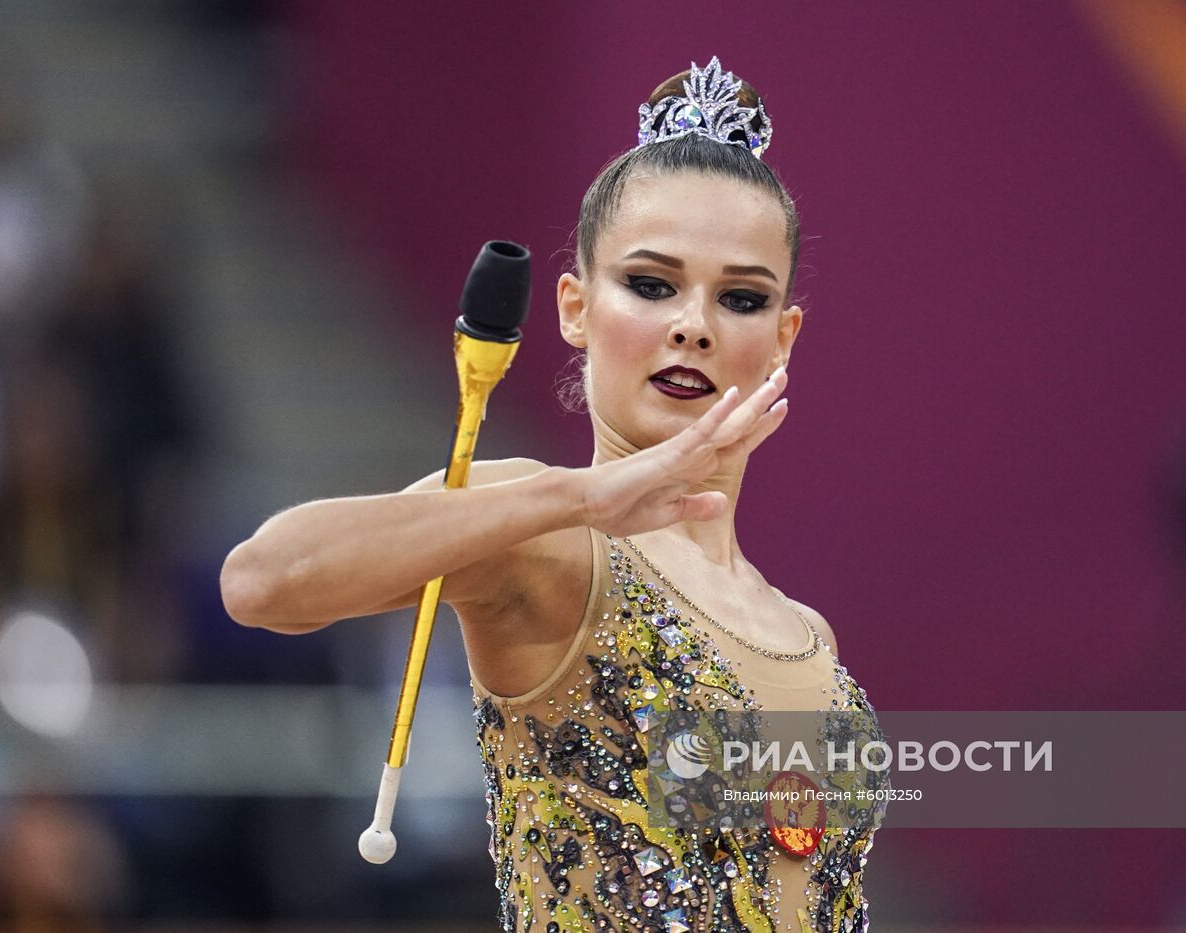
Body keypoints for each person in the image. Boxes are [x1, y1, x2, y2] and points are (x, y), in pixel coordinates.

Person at [222, 57, 884, 932]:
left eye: (741, 297)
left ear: (784, 336)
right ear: (574, 306)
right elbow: (262, 580)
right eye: (651, 284)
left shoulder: (806, 634)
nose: (694, 324)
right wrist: (577, 497)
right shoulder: (555, 536)